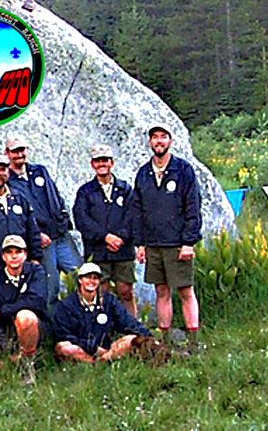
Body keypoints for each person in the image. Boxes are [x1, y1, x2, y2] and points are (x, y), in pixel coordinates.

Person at [132, 122, 202, 349]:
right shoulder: (143, 173)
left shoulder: (183, 170)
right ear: (150, 142)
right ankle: (165, 342)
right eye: (155, 137)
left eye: (163, 137)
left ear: (170, 141)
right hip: (153, 244)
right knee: (161, 291)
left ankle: (193, 342)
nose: (159, 141)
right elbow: (137, 211)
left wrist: (189, 242)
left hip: (178, 244)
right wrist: (140, 244)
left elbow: (193, 206)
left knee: (185, 291)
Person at [5, 135, 82, 315]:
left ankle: (84, 320)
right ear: (7, 153)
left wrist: (63, 218)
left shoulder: (40, 171)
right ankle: (51, 327)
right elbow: (16, 216)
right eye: (15, 151)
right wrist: (36, 234)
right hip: (42, 242)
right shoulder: (8, 181)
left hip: (61, 235)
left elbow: (55, 195)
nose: (19, 155)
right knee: (50, 287)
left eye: (22, 150)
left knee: (81, 276)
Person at [73, 144, 138, 316]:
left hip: (123, 249)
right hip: (98, 251)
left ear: (112, 162)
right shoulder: (85, 192)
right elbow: (82, 220)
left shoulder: (125, 189)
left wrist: (120, 238)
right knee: (102, 293)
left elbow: (133, 216)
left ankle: (132, 329)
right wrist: (105, 237)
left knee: (126, 292)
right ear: (92, 164)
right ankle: (103, 328)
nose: (101, 164)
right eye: (97, 161)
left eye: (105, 160)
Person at [0, 235, 49, 384]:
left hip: (35, 328)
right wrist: (7, 348)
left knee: (24, 317)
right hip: (6, 334)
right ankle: (14, 363)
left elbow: (36, 301)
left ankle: (27, 367)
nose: (14, 256)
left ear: (25, 255)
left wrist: (2, 311)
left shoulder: (36, 272)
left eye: (18, 252)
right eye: (9, 252)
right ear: (3, 256)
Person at [53, 263, 153, 364]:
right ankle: (92, 363)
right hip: (81, 348)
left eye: (95, 278)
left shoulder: (109, 300)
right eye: (88, 277)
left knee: (131, 339)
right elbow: (63, 334)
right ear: (80, 280)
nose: (91, 281)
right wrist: (91, 347)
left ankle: (104, 360)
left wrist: (149, 337)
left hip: (107, 349)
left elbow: (128, 321)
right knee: (64, 347)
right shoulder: (67, 304)